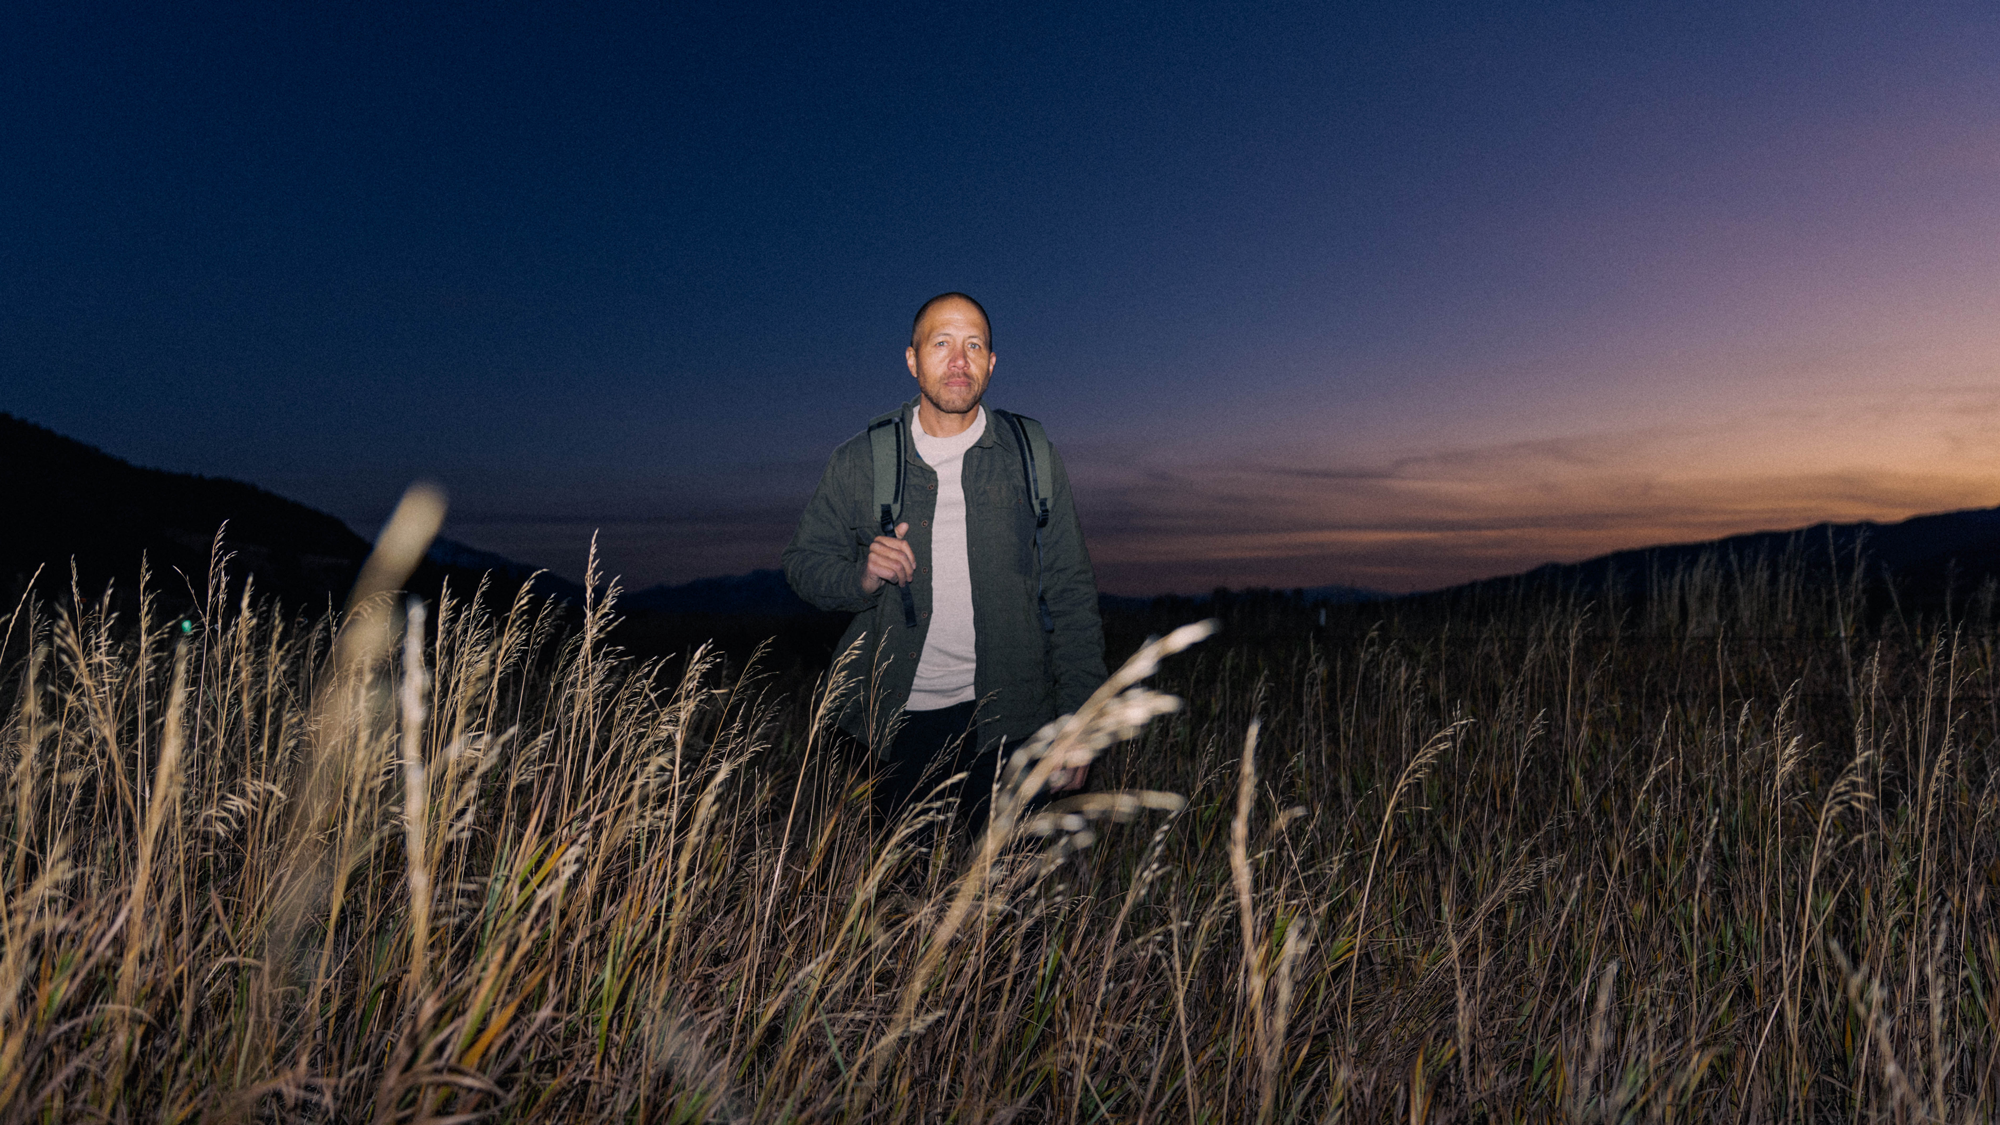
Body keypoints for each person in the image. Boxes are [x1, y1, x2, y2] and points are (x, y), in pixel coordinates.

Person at [782, 292, 1107, 834]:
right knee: (908, 902)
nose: (959, 361)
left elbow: (1072, 593)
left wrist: (1079, 720)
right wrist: (861, 575)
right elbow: (801, 563)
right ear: (912, 360)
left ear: (991, 363)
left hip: (1015, 717)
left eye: (973, 345)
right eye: (941, 344)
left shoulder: (1032, 454)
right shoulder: (862, 460)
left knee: (1004, 903)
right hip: (900, 725)